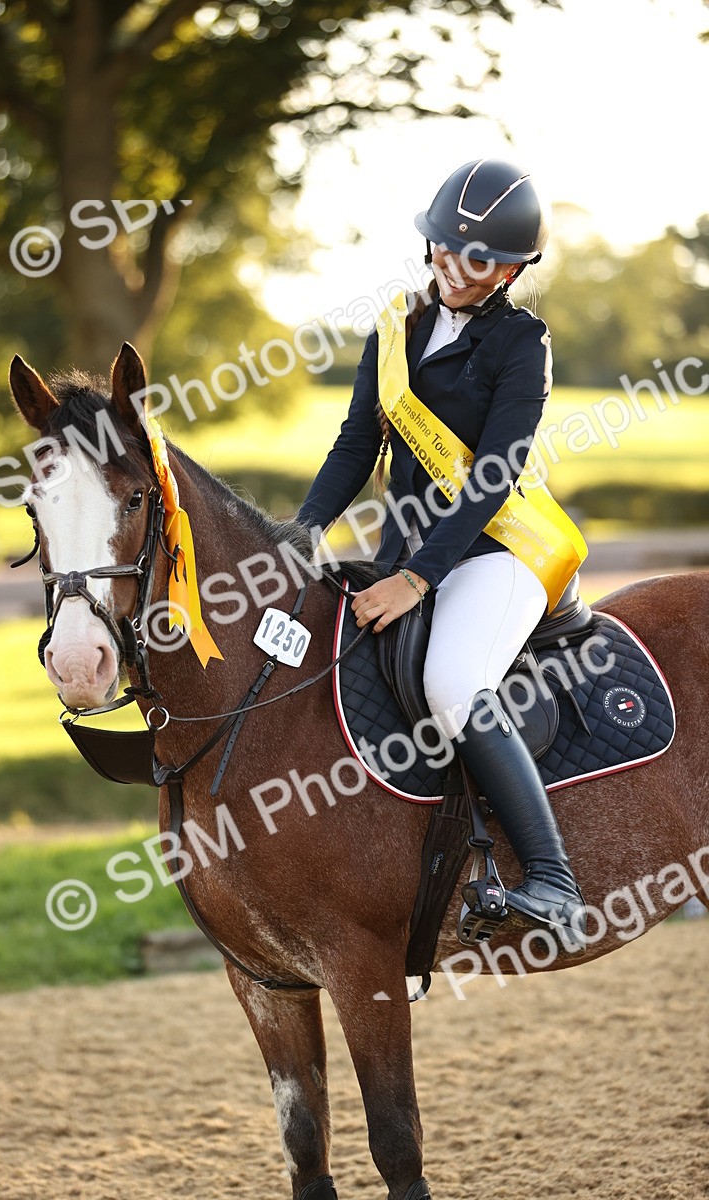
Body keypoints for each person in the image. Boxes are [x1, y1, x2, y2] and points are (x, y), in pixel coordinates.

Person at [297, 158, 586, 945]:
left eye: (485, 259)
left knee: (452, 681)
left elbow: (492, 476)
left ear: (516, 268)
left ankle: (554, 881)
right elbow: (358, 443)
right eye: (448, 249)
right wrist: (305, 528)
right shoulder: (395, 329)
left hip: (501, 550)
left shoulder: (524, 344)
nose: (461, 268)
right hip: (409, 552)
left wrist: (418, 580)